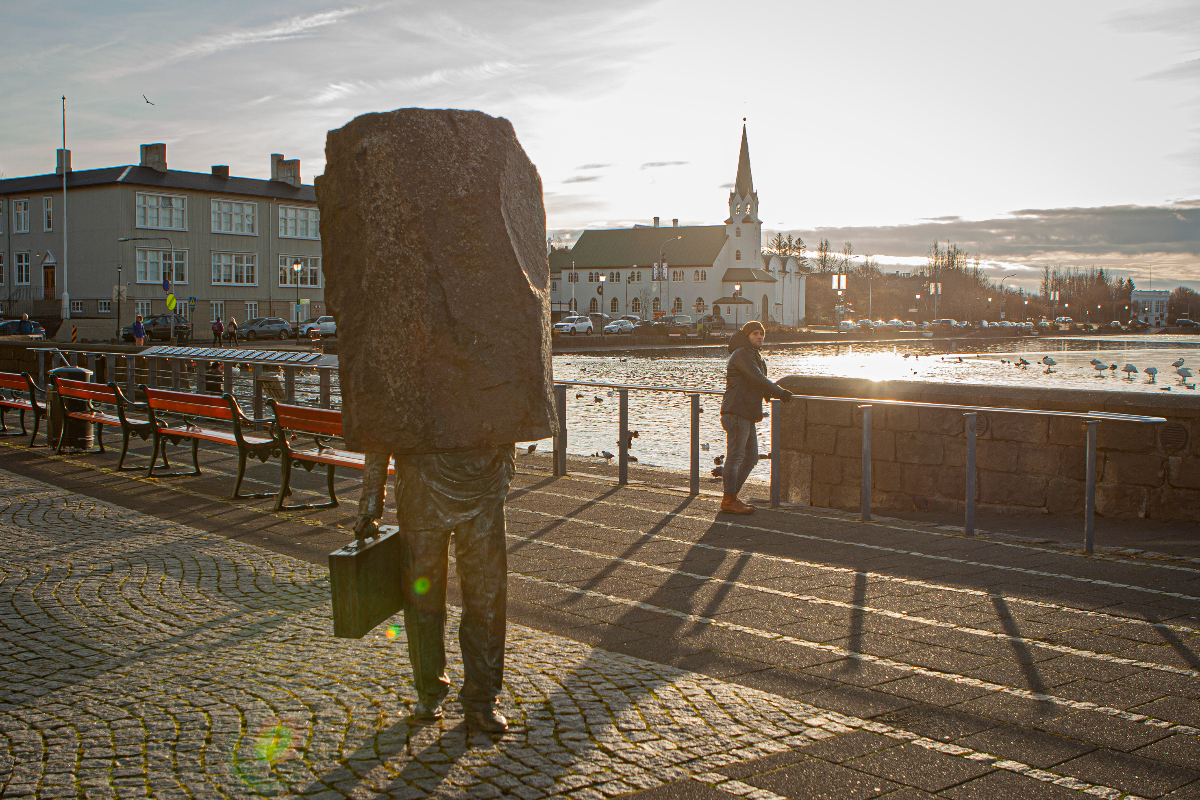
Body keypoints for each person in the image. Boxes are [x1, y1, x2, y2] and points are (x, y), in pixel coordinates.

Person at [355, 447, 515, 734]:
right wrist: (370, 504)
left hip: (483, 482)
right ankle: (428, 693)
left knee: (487, 595)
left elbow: (509, 408)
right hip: (420, 484)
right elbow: (378, 421)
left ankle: (482, 698)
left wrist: (505, 468)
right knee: (422, 600)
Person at [719, 320, 792, 514]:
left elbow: (755, 382)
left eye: (762, 333)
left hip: (745, 413)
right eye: (755, 334)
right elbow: (757, 378)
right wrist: (780, 392)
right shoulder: (742, 353)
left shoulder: (751, 354)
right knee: (735, 458)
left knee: (750, 458)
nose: (760, 336)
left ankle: (732, 497)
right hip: (736, 412)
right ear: (746, 336)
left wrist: (770, 393)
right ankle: (729, 500)